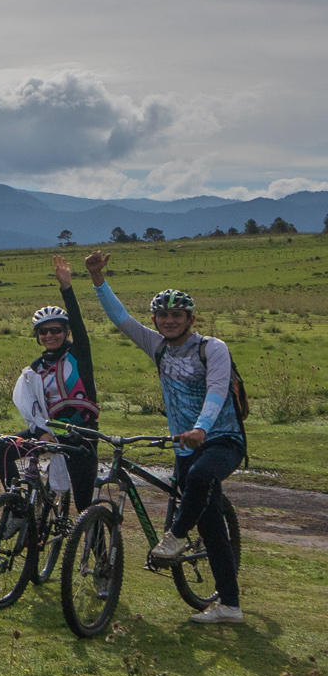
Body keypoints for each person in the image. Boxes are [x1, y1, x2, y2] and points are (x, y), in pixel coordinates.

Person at [86, 251, 245, 625]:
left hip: (220, 439)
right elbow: (121, 319)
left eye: (177, 315)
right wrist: (97, 278)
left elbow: (217, 391)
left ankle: (173, 537)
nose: (169, 321)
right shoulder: (157, 345)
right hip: (183, 444)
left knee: (200, 478)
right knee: (211, 528)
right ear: (156, 320)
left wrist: (202, 428)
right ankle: (231, 606)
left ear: (191, 319)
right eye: (163, 315)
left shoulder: (212, 348)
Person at [6, 255, 101, 510]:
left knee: (84, 507)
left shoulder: (78, 356)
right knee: (3, 450)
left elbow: (79, 324)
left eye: (56, 330)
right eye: (43, 332)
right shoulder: (35, 369)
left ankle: (100, 550)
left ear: (66, 333)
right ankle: (16, 506)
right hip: (49, 433)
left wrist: (66, 288)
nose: (50, 335)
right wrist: (39, 432)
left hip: (82, 435)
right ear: (37, 336)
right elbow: (29, 405)